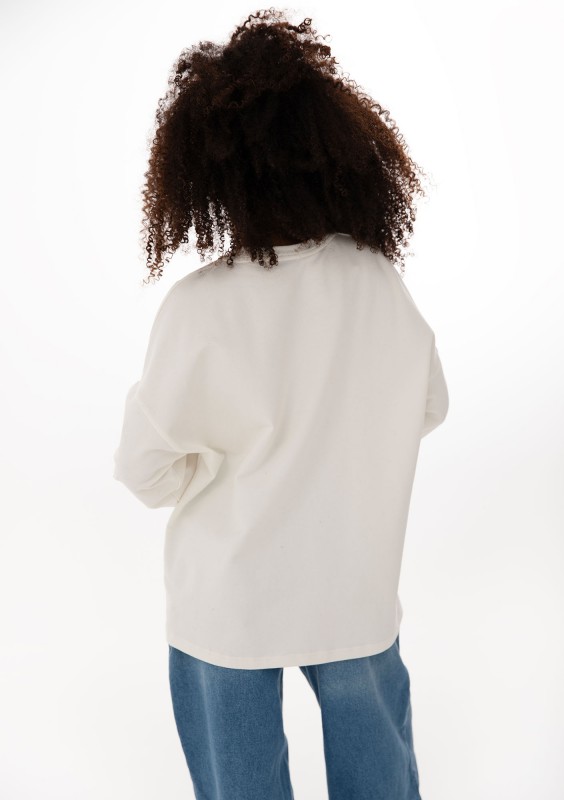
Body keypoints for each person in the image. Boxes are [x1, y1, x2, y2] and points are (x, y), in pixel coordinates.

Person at [113, 8, 449, 800]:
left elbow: (144, 472)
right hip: (353, 587)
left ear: (206, 175)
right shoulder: (375, 280)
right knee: (382, 779)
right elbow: (427, 405)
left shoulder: (200, 308)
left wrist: (222, 464)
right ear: (334, 147)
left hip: (228, 604)